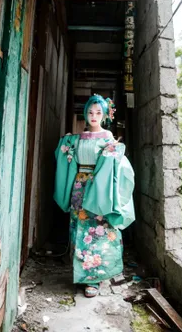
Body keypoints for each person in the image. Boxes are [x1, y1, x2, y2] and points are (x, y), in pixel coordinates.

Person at [53, 95, 136, 298]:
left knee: (99, 231)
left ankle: (95, 278)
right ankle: (82, 275)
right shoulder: (77, 138)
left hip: (100, 188)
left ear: (105, 115)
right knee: (80, 231)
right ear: (85, 114)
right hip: (80, 187)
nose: (94, 116)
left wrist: (113, 151)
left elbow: (117, 165)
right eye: (90, 112)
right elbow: (63, 155)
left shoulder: (109, 138)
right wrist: (67, 143)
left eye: (98, 113)